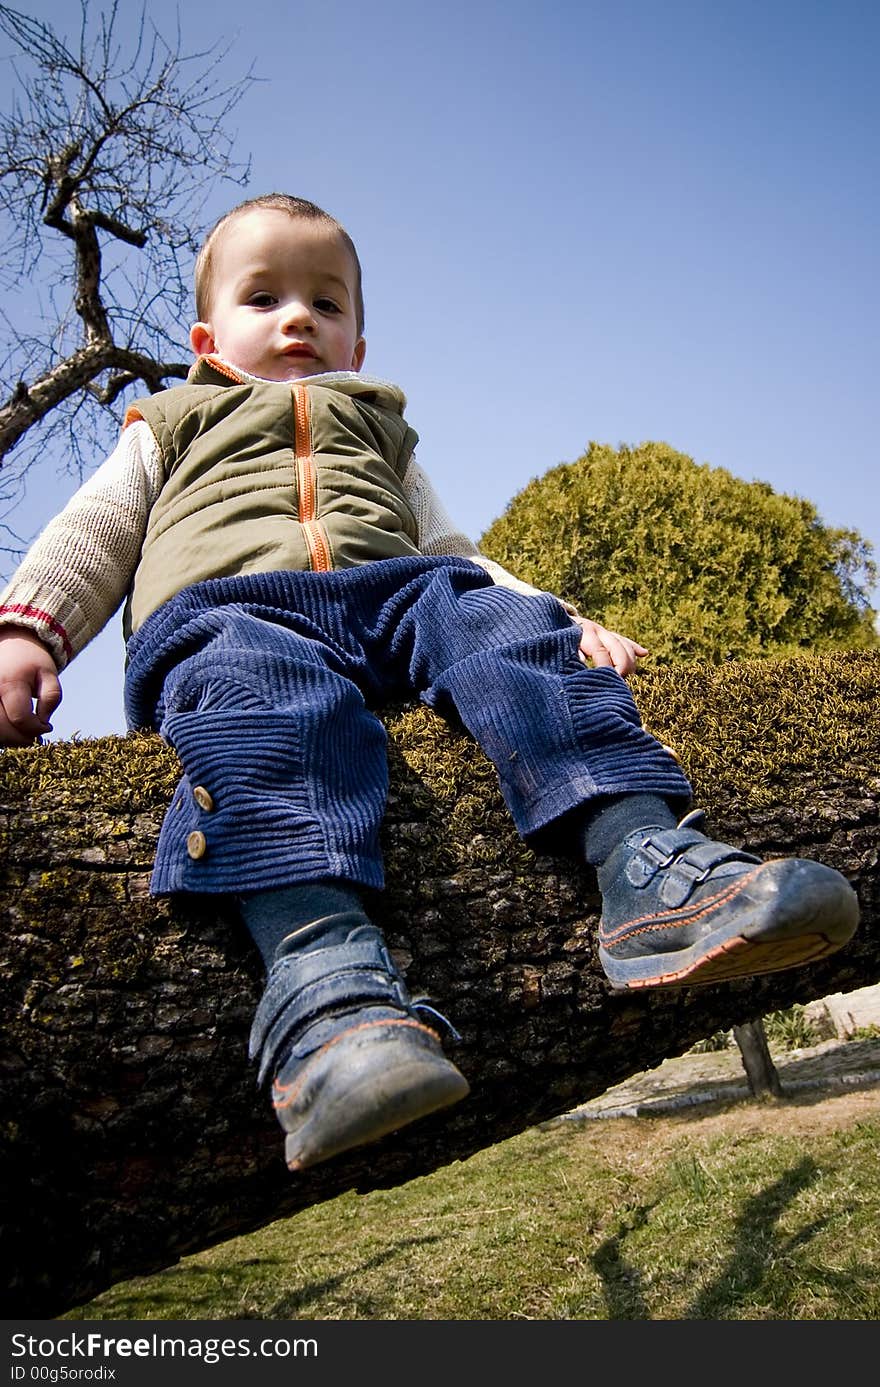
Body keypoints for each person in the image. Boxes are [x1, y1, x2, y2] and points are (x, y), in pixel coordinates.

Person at [0, 194, 859, 1172]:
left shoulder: (379, 428)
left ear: (357, 343)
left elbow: (455, 552)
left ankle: (646, 863)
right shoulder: (172, 416)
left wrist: (558, 617)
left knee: (502, 630)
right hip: (232, 611)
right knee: (273, 714)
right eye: (265, 296)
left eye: (326, 303)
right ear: (206, 336)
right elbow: (97, 527)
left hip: (395, 594)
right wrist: (30, 631)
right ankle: (325, 990)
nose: (298, 319)